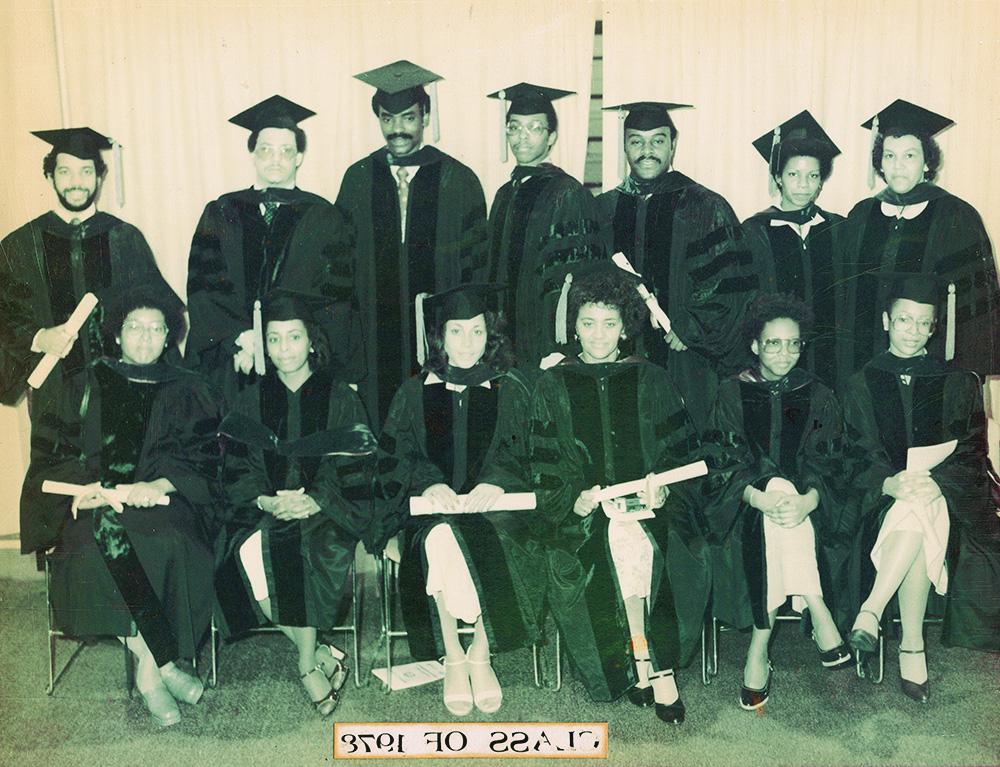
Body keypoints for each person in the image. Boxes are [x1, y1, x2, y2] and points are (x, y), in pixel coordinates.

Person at [20, 286, 219, 727]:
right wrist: (81, 488)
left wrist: (160, 482)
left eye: (155, 329)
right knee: (93, 547)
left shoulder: (188, 388)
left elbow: (205, 457)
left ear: (169, 337)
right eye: (134, 328)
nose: (145, 338)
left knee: (170, 541)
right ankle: (160, 667)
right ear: (116, 335)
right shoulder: (85, 383)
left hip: (163, 501)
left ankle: (150, 669)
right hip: (94, 502)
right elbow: (52, 452)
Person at [529, 263, 709, 724]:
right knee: (614, 541)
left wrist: (663, 489)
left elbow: (680, 452)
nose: (598, 335)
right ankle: (646, 662)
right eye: (587, 323)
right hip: (584, 514)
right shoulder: (553, 384)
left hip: (651, 506)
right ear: (574, 326)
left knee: (645, 543)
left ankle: (652, 667)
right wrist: (575, 500)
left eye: (610, 323)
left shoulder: (651, 378)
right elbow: (544, 465)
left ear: (626, 327)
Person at [373, 284, 539, 716]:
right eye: (457, 332)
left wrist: (500, 481)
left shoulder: (511, 388)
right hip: (431, 512)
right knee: (442, 539)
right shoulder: (414, 392)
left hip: (496, 511)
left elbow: (530, 451)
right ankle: (453, 655)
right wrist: (428, 482)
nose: (468, 343)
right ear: (439, 338)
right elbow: (396, 455)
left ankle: (480, 653)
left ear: (491, 336)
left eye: (478, 332)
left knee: (494, 540)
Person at [214, 289, 376, 717]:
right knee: (241, 552)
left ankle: (307, 663)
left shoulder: (340, 395)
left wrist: (315, 500)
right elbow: (234, 465)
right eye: (274, 339)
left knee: (303, 549)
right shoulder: (251, 399)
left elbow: (357, 466)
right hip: (263, 509)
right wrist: (265, 499)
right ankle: (319, 651)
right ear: (264, 345)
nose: (284, 349)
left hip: (325, 511)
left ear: (312, 341)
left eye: (293, 337)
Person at [843, 274, 1000, 703]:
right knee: (910, 507)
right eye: (904, 320)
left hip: (944, 498)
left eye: (922, 323)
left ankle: (871, 612)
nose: (912, 330)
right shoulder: (862, 383)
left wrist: (939, 485)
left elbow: (971, 450)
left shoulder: (956, 380)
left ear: (934, 328)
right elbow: (853, 452)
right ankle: (912, 646)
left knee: (919, 505)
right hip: (879, 501)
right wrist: (888, 482)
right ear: (885, 321)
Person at [702, 293, 853, 712]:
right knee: (778, 507)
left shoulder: (818, 394)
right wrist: (756, 496)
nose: (785, 353)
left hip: (809, 513)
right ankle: (818, 608)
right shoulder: (731, 394)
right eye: (773, 343)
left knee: (786, 507)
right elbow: (719, 465)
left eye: (793, 344)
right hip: (743, 509)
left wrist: (808, 499)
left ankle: (758, 649)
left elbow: (832, 463)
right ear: (755, 345)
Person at [337, 61, 489, 429]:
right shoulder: (358, 178)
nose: (398, 129)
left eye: (408, 118)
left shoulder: (459, 179)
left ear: (425, 117)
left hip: (440, 331)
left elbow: (477, 267)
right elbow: (340, 265)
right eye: (388, 119)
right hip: (375, 332)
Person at [186, 95, 356, 405]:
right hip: (234, 358)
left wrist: (290, 344)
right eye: (265, 150)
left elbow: (335, 299)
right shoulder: (222, 211)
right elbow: (204, 286)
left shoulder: (324, 216)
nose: (275, 160)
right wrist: (241, 337)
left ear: (299, 157)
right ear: (252, 153)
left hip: (298, 361)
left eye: (285, 151)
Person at [597, 102, 753, 429]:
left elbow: (731, 284)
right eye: (636, 141)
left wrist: (692, 324)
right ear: (624, 146)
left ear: (673, 144)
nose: (647, 150)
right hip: (618, 353)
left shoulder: (706, 206)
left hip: (685, 355)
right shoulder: (605, 208)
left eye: (657, 140)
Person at [0, 127, 176, 412]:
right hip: (53, 388)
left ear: (99, 177)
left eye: (85, 171)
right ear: (49, 177)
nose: (76, 182)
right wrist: (38, 337)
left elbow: (156, 309)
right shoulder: (22, 243)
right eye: (65, 172)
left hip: (122, 383)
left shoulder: (123, 237)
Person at [837, 99, 999, 386]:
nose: (898, 166)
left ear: (927, 162)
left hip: (934, 366)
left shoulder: (955, 215)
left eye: (909, 156)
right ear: (880, 162)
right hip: (863, 365)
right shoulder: (862, 214)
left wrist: (967, 374)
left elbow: (977, 304)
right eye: (889, 156)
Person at [486, 83, 604, 371]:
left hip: (544, 340)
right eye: (514, 127)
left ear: (551, 137)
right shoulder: (504, 193)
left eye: (535, 128)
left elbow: (577, 276)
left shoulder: (567, 193)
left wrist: (559, 346)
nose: (522, 138)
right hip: (502, 338)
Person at [742, 111, 844, 385]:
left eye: (813, 175)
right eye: (793, 174)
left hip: (831, 361)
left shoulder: (839, 228)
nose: (803, 184)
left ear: (822, 180)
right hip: (776, 358)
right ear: (777, 177)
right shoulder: (754, 231)